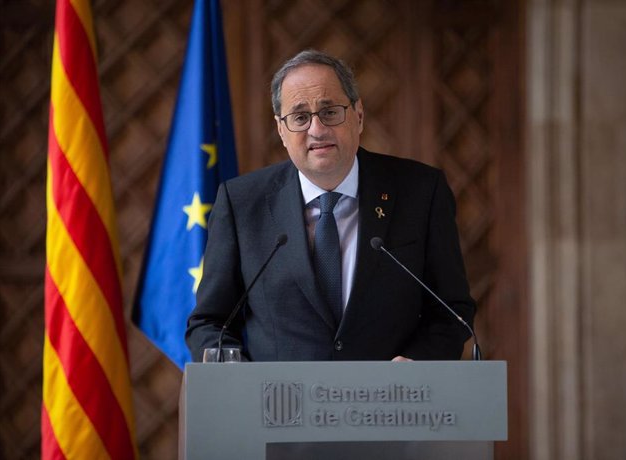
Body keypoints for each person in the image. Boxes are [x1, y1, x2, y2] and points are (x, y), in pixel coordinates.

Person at [185, 49, 476, 362]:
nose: (316, 130)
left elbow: (452, 312)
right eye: (299, 117)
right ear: (281, 130)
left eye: (330, 112)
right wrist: (235, 369)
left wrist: (417, 362)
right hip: (277, 406)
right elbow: (209, 322)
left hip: (390, 403)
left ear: (358, 115)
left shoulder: (420, 191)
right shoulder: (242, 202)